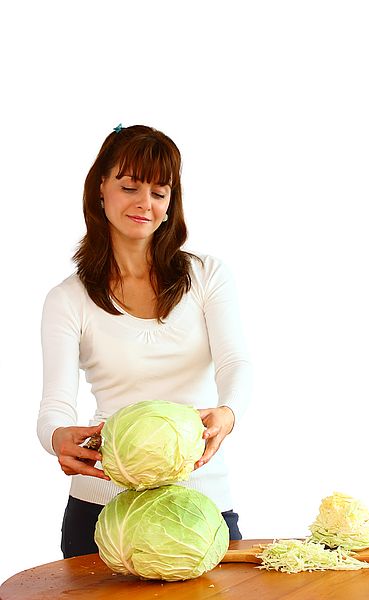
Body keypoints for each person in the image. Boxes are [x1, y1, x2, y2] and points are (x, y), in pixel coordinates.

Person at [37, 124, 252, 559]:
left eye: (159, 192)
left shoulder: (206, 276)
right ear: (101, 189)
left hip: (200, 504)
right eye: (130, 186)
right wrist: (57, 436)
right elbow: (55, 404)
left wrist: (228, 413)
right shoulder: (68, 299)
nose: (144, 203)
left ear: (172, 203)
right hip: (102, 508)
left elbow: (235, 362)